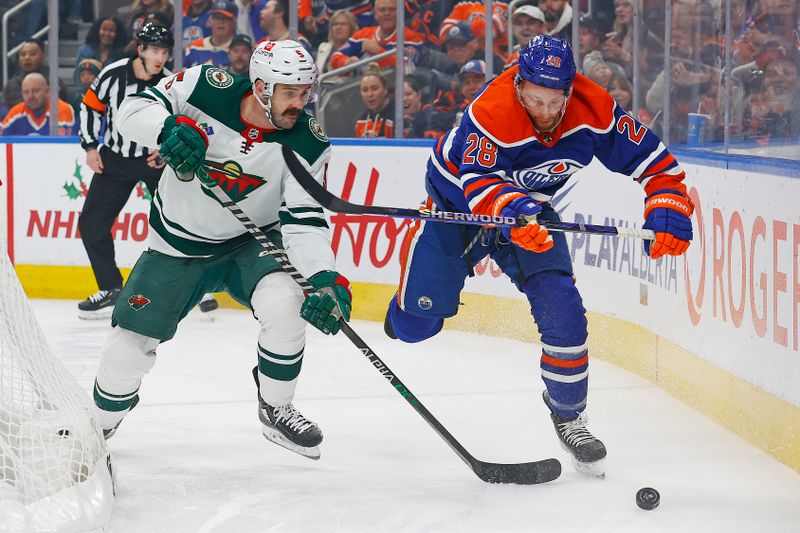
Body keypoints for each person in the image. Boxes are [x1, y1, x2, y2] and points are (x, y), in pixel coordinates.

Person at [383, 36, 694, 478]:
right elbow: (481, 184)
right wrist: (514, 212)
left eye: (556, 101)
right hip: (459, 204)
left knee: (563, 309)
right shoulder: (490, 111)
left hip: (528, 209)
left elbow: (655, 162)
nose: (546, 113)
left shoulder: (595, 108)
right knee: (414, 328)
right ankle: (406, 307)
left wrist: (666, 202)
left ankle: (569, 415)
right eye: (535, 100)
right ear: (519, 85)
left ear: (571, 89)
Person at [94, 40, 351, 461]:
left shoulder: (309, 143)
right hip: (177, 245)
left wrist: (322, 278)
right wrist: (168, 130)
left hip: (253, 243)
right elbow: (131, 110)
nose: (299, 103)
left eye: (306, 92)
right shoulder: (204, 87)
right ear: (262, 87)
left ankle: (276, 406)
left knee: (286, 303)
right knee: (127, 349)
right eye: (290, 92)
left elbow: (304, 220)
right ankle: (100, 423)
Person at [76, 23, 173, 319]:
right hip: (115, 159)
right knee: (91, 224)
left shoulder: (169, 82)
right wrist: (91, 147)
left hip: (153, 162)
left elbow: (181, 120)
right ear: (141, 49)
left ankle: (197, 282)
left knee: (178, 220)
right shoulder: (113, 72)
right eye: (154, 50)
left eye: (165, 52)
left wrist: (166, 147)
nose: (160, 58)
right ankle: (110, 288)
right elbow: (90, 106)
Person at [329, 0, 426, 71]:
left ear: (400, 12)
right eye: (382, 10)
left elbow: (408, 67)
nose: (387, 13)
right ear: (375, 14)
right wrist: (348, 62)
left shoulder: (411, 37)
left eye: (392, 9)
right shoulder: (363, 35)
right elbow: (335, 57)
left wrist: (378, 52)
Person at [0, 73, 75, 136]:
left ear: (47, 91)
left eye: (36, 91)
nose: (31, 96)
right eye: (26, 92)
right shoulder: (16, 113)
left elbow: (67, 146)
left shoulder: (61, 109)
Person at [73, 17, 128, 84]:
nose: (107, 34)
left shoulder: (122, 54)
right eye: (104, 29)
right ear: (97, 30)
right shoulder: (84, 50)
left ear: (118, 34)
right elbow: (76, 77)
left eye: (112, 31)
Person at [185, 0, 238, 68]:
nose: (220, 22)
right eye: (216, 18)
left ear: (234, 23)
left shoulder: (239, 50)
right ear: (209, 21)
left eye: (225, 18)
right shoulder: (194, 47)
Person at [354, 63, 394, 138]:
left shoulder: (397, 117)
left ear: (385, 90)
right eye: (365, 90)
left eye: (374, 88)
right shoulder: (361, 121)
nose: (370, 94)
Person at [315, 9, 358, 75]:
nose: (338, 27)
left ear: (351, 27)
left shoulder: (357, 48)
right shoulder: (323, 47)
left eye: (343, 24)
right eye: (335, 24)